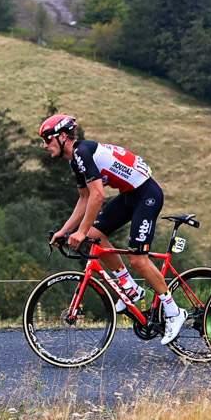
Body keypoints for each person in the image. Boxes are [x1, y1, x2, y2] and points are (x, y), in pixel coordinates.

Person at [40, 114, 185, 345]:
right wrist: (65, 230)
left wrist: (80, 231)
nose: (45, 145)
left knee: (139, 260)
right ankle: (130, 288)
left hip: (147, 194)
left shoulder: (82, 152)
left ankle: (174, 312)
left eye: (48, 139)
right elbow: (84, 198)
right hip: (129, 195)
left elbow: (98, 195)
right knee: (94, 237)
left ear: (63, 136)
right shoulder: (74, 160)